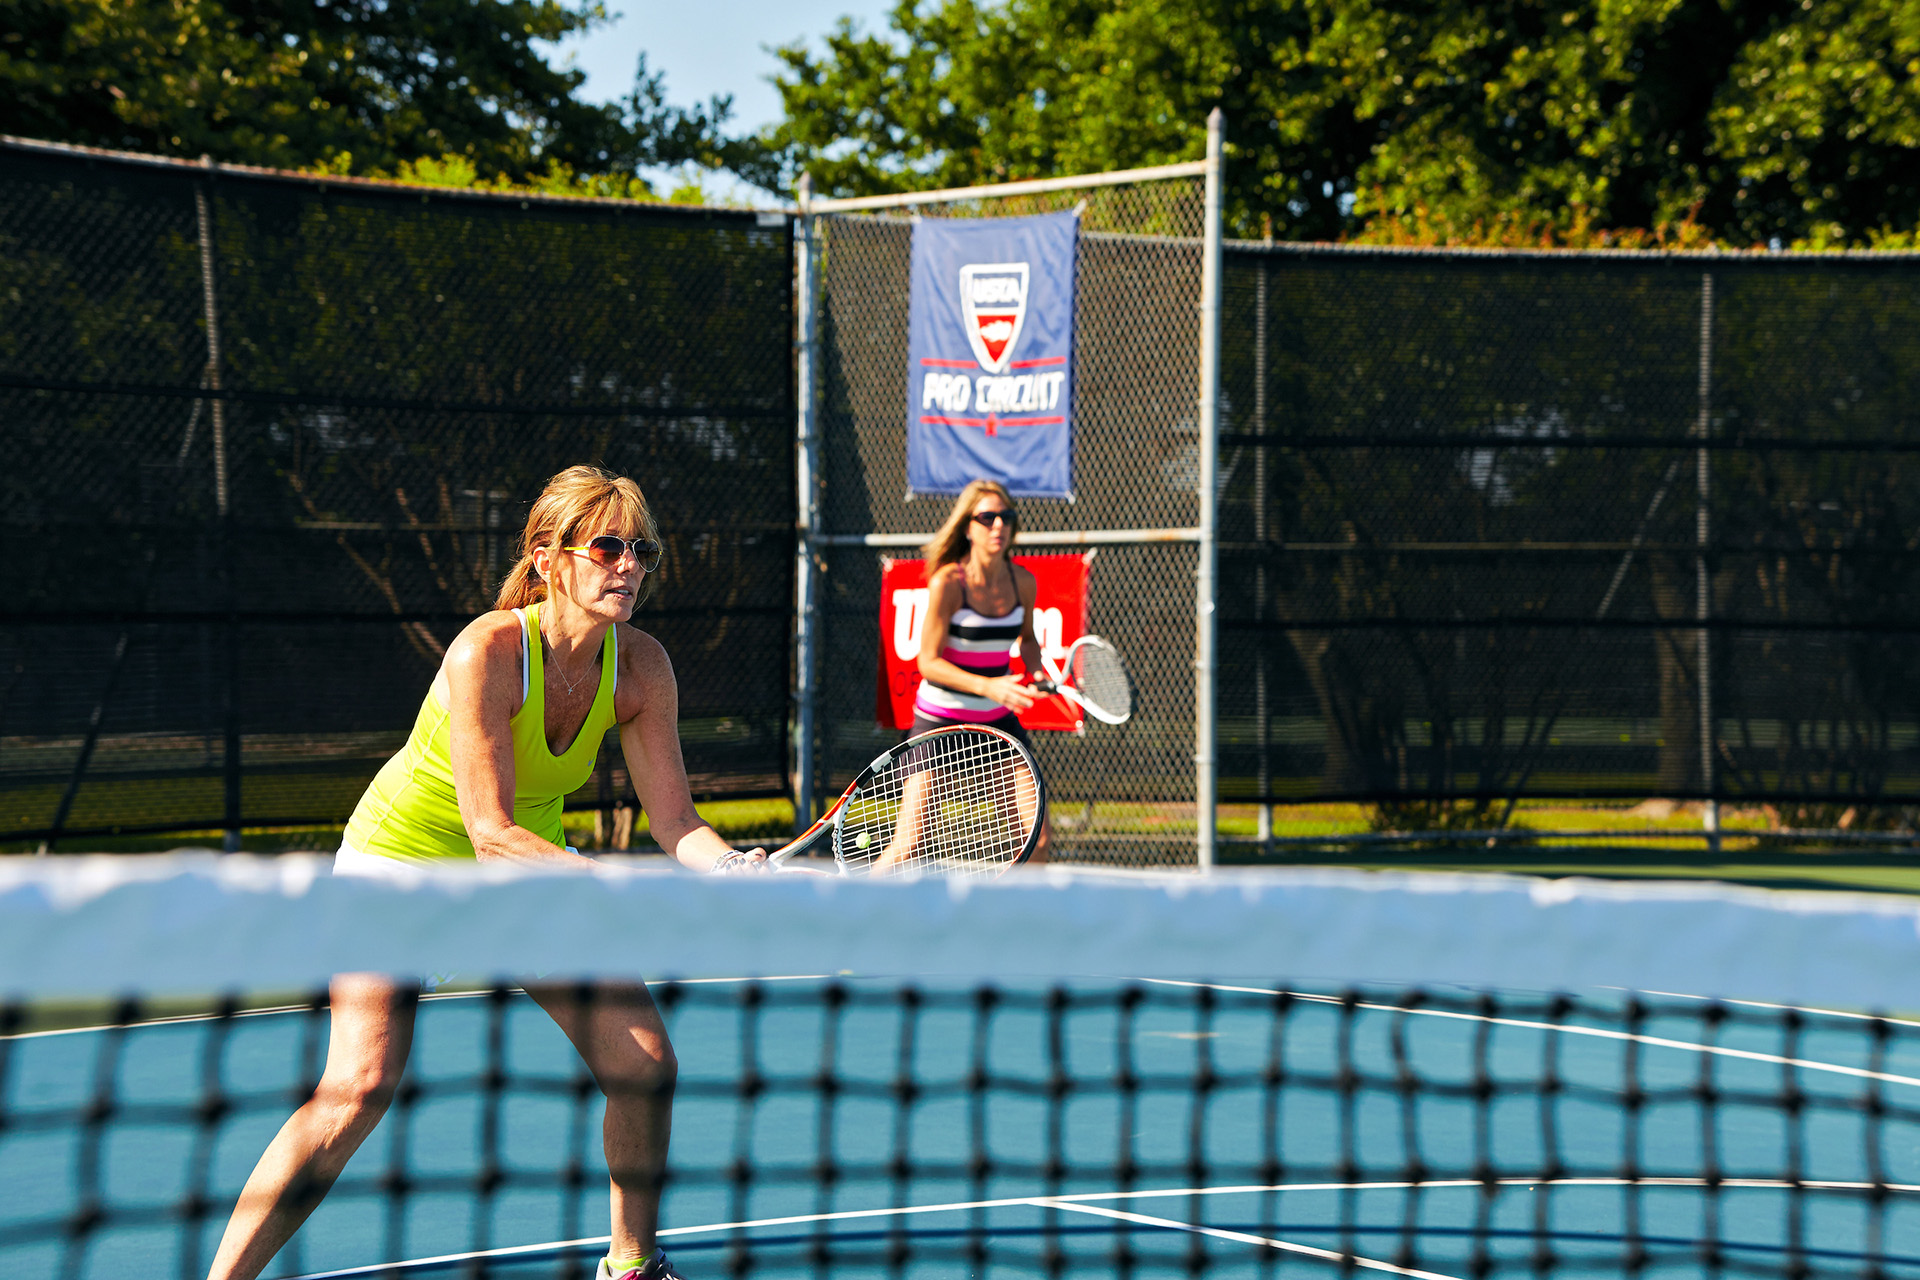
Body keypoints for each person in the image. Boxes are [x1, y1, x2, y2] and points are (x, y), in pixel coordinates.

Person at [207, 465, 765, 1280]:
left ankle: (631, 1266)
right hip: (401, 869)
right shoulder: (489, 651)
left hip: (524, 879)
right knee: (357, 1088)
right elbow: (490, 830)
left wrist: (730, 867)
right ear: (547, 559)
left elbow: (677, 823)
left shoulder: (642, 669)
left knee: (643, 1063)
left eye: (642, 550)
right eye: (608, 545)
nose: (630, 566)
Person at [875, 479, 1051, 869]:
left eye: (1006, 517)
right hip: (940, 723)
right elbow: (929, 662)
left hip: (998, 726)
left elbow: (1027, 640)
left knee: (1037, 840)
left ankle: (1021, 926)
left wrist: (1036, 669)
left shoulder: (1023, 582)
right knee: (910, 844)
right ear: (967, 527)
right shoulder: (948, 583)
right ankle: (848, 915)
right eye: (987, 518)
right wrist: (989, 686)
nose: (998, 526)